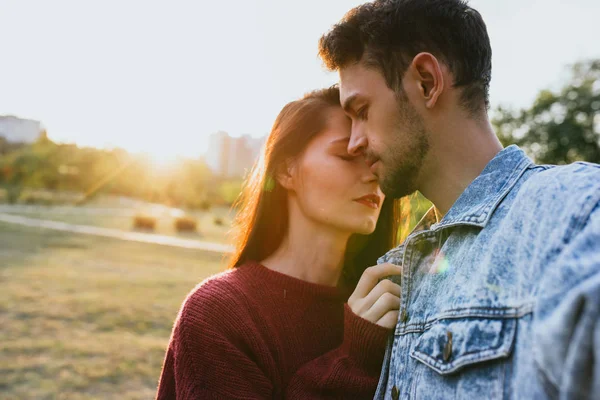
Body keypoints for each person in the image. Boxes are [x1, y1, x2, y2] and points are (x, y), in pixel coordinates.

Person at [318, 0, 600, 399]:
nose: (354, 141)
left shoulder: (575, 213)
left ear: (427, 82)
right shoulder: (396, 270)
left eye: (361, 110)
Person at [156, 86, 405, 399]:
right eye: (347, 156)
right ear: (286, 170)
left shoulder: (389, 303)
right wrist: (352, 361)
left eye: (374, 158)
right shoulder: (218, 313)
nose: (372, 175)